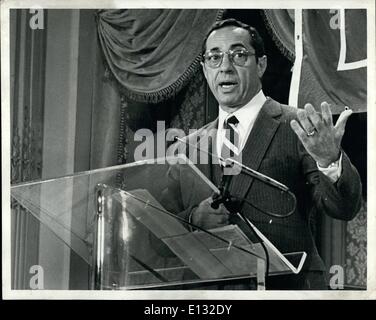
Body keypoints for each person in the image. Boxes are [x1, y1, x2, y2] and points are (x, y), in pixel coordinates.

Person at [161, 18, 362, 290]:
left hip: (286, 289)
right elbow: (159, 231)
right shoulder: (185, 148)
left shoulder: (299, 126)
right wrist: (194, 218)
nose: (226, 67)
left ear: (262, 65)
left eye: (239, 55)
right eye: (215, 57)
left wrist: (329, 160)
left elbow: (344, 208)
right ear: (205, 70)